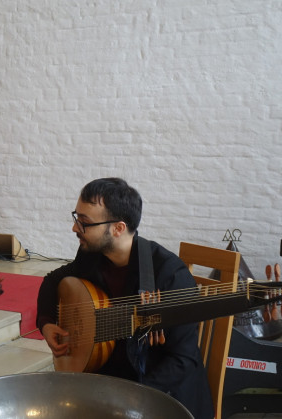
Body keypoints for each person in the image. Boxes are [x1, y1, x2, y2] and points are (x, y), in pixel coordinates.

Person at [36, 177, 213, 419]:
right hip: (108, 381)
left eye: (84, 222)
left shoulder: (169, 276)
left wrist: (126, 400)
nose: (75, 228)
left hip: (161, 397)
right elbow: (53, 281)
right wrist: (46, 323)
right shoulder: (91, 256)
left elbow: (182, 360)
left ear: (118, 228)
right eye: (76, 217)